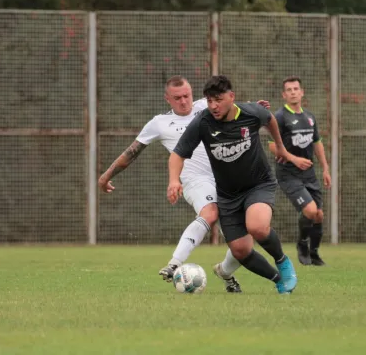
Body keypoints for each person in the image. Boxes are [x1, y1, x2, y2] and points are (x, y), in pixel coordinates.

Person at [99, 75, 254, 293]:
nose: (183, 101)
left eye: (186, 95)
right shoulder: (159, 123)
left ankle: (225, 272)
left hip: (226, 179)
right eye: (177, 98)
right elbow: (131, 152)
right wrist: (106, 175)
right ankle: (174, 264)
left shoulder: (206, 106)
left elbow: (235, 108)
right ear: (168, 99)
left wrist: (256, 108)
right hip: (195, 181)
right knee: (210, 212)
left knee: (244, 245)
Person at [168, 75, 298, 294]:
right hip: (228, 195)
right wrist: (174, 180)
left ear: (231, 97)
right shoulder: (203, 122)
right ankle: (278, 280)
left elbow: (269, 119)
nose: (213, 106)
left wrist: (281, 148)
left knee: (257, 226)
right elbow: (177, 155)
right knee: (240, 250)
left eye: (218, 100)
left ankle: (282, 261)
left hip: (258, 184)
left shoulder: (250, 112)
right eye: (210, 101)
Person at [268, 76, 331, 266]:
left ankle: (314, 253)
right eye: (289, 90)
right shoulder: (279, 117)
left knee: (318, 215)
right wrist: (293, 159)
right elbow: (272, 146)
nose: (293, 92)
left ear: (302, 92)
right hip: (288, 174)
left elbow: (317, 143)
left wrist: (325, 168)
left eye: (296, 89)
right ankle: (302, 244)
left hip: (309, 174)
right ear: (284, 95)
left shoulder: (309, 117)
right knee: (310, 211)